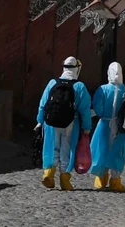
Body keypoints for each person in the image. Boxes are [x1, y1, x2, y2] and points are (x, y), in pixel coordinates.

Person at [36, 56, 92, 191]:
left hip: (51, 122)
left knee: (52, 146)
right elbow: (85, 109)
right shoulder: (79, 86)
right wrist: (87, 127)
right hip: (71, 122)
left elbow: (43, 103)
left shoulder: (52, 83)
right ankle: (64, 179)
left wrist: (40, 120)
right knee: (67, 148)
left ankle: (48, 173)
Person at [89, 62, 125, 192]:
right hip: (122, 125)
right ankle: (115, 180)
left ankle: (101, 178)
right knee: (119, 152)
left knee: (102, 150)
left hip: (104, 125)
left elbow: (97, 108)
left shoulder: (103, 89)